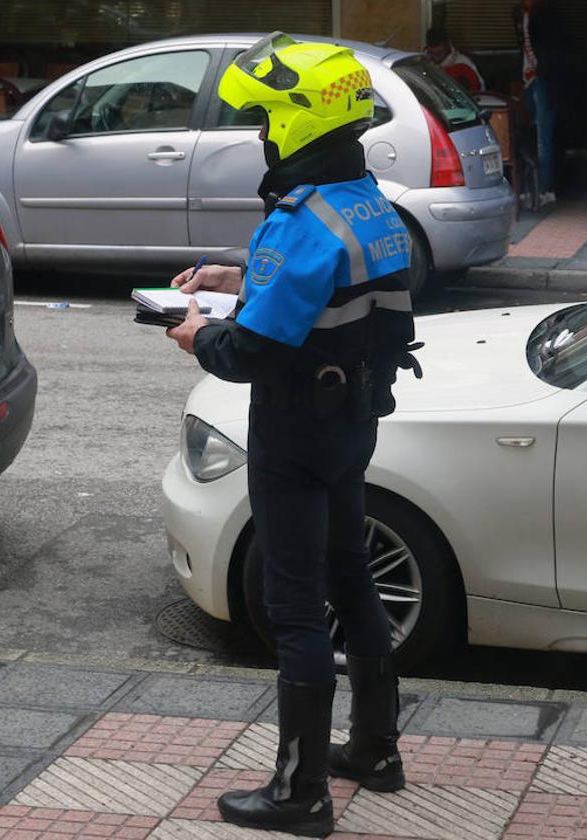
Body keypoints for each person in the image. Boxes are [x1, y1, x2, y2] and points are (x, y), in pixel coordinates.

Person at [164, 32, 420, 838]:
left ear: (297, 127)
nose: (263, 136)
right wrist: (238, 275)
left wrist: (195, 332)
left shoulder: (298, 220)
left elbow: (247, 352)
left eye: (268, 121)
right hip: (354, 424)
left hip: (294, 431)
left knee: (297, 608)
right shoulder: (368, 204)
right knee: (352, 577)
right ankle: (376, 751)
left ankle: (300, 794)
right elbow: (325, 286)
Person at [513, 0, 565, 206]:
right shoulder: (520, 13)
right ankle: (532, 188)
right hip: (531, 77)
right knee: (531, 131)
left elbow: (553, 49)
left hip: (544, 78)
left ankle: (545, 188)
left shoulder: (547, 13)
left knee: (544, 136)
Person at [424, 25, 485, 92]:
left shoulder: (463, 62)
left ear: (447, 46)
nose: (436, 58)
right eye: (432, 53)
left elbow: (480, 90)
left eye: (440, 53)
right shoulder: (422, 62)